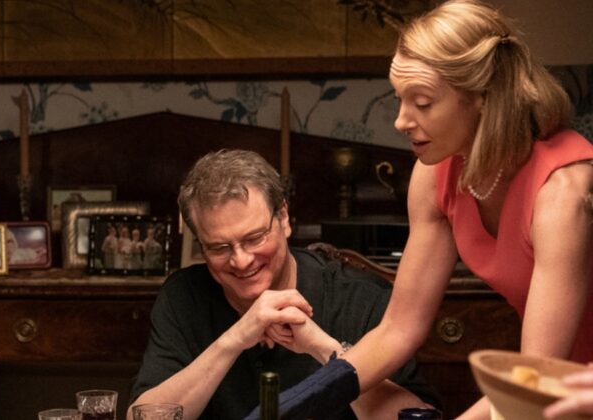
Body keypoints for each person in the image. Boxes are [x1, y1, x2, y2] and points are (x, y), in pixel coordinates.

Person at [298, 1, 593, 419]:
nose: (401, 121)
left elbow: (534, 378)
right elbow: (398, 330)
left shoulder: (561, 194)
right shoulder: (436, 172)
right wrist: (293, 405)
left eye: (422, 103)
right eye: (400, 99)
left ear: (484, 98)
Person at [127, 149, 439, 419]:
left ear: (284, 218)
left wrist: (322, 348)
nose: (241, 261)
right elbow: (143, 416)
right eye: (219, 248)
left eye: (254, 238)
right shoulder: (184, 296)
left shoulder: (361, 298)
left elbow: (415, 415)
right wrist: (234, 339)